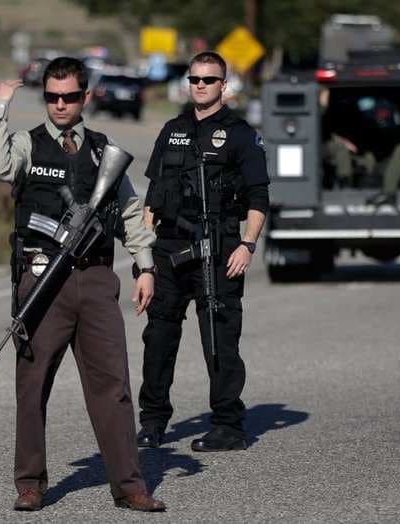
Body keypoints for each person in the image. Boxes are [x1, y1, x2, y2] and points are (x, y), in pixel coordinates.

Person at [0, 57, 165, 513]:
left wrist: (145, 267)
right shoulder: (26, 144)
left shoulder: (105, 151)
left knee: (113, 386)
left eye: (69, 96)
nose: (60, 104)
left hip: (97, 279)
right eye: (51, 96)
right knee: (32, 385)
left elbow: (128, 214)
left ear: (85, 97)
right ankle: (30, 483)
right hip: (42, 277)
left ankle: (129, 485)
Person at [136, 51, 269, 452]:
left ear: (223, 86)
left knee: (219, 339)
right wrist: (144, 258)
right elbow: (151, 198)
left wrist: (248, 245)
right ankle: (153, 422)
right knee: (159, 337)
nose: (200, 85)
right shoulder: (172, 129)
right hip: (170, 248)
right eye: (194, 79)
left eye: (208, 80)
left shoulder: (241, 134)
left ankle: (228, 424)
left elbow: (258, 196)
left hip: (220, 248)